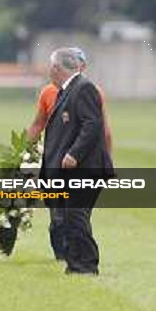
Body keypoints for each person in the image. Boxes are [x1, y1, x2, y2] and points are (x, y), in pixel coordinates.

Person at [27, 47, 112, 260]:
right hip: (57, 165)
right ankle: (64, 255)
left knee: (74, 214)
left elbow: (100, 129)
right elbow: (38, 124)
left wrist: (104, 163)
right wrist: (25, 155)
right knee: (59, 217)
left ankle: (78, 258)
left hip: (78, 166)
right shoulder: (49, 92)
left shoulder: (88, 90)